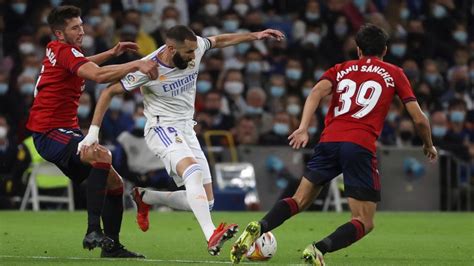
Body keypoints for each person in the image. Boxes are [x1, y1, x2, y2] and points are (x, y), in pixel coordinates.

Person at [230, 24, 438, 265]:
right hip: (359, 145)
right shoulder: (393, 72)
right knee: (364, 220)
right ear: (385, 50)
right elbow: (420, 119)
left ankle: (260, 225)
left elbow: (316, 92)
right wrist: (428, 144)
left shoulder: (341, 69)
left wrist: (303, 127)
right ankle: (318, 249)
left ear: (358, 50)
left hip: (329, 141)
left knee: (299, 200)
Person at [79, 25, 284, 256]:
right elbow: (108, 92)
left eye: (194, 50)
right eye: (187, 52)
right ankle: (211, 235)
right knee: (193, 172)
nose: (193, 56)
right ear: (170, 48)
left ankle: (145, 197)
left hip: (187, 128)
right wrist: (93, 132)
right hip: (161, 127)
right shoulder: (149, 67)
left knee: (205, 203)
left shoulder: (195, 47)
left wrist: (254, 35)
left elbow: (221, 40)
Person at [25, 5, 158, 258]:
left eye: (82, 26)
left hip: (64, 131)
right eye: (75, 27)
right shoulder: (64, 50)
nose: (81, 31)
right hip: (49, 131)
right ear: (59, 33)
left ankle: (112, 247)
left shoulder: (62, 52)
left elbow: (84, 64)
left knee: (115, 182)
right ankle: (92, 230)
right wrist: (136, 64)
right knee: (101, 155)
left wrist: (112, 52)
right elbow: (96, 76)